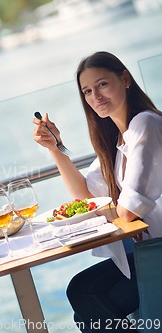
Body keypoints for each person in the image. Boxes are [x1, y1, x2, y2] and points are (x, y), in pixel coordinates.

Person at [33, 51, 162, 332]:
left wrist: (113, 213)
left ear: (125, 79)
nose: (96, 97)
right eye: (88, 91)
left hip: (158, 252)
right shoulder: (118, 141)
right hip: (149, 251)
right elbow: (86, 197)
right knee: (81, 293)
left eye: (102, 84)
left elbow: (128, 211)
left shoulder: (145, 124)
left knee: (86, 297)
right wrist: (56, 149)